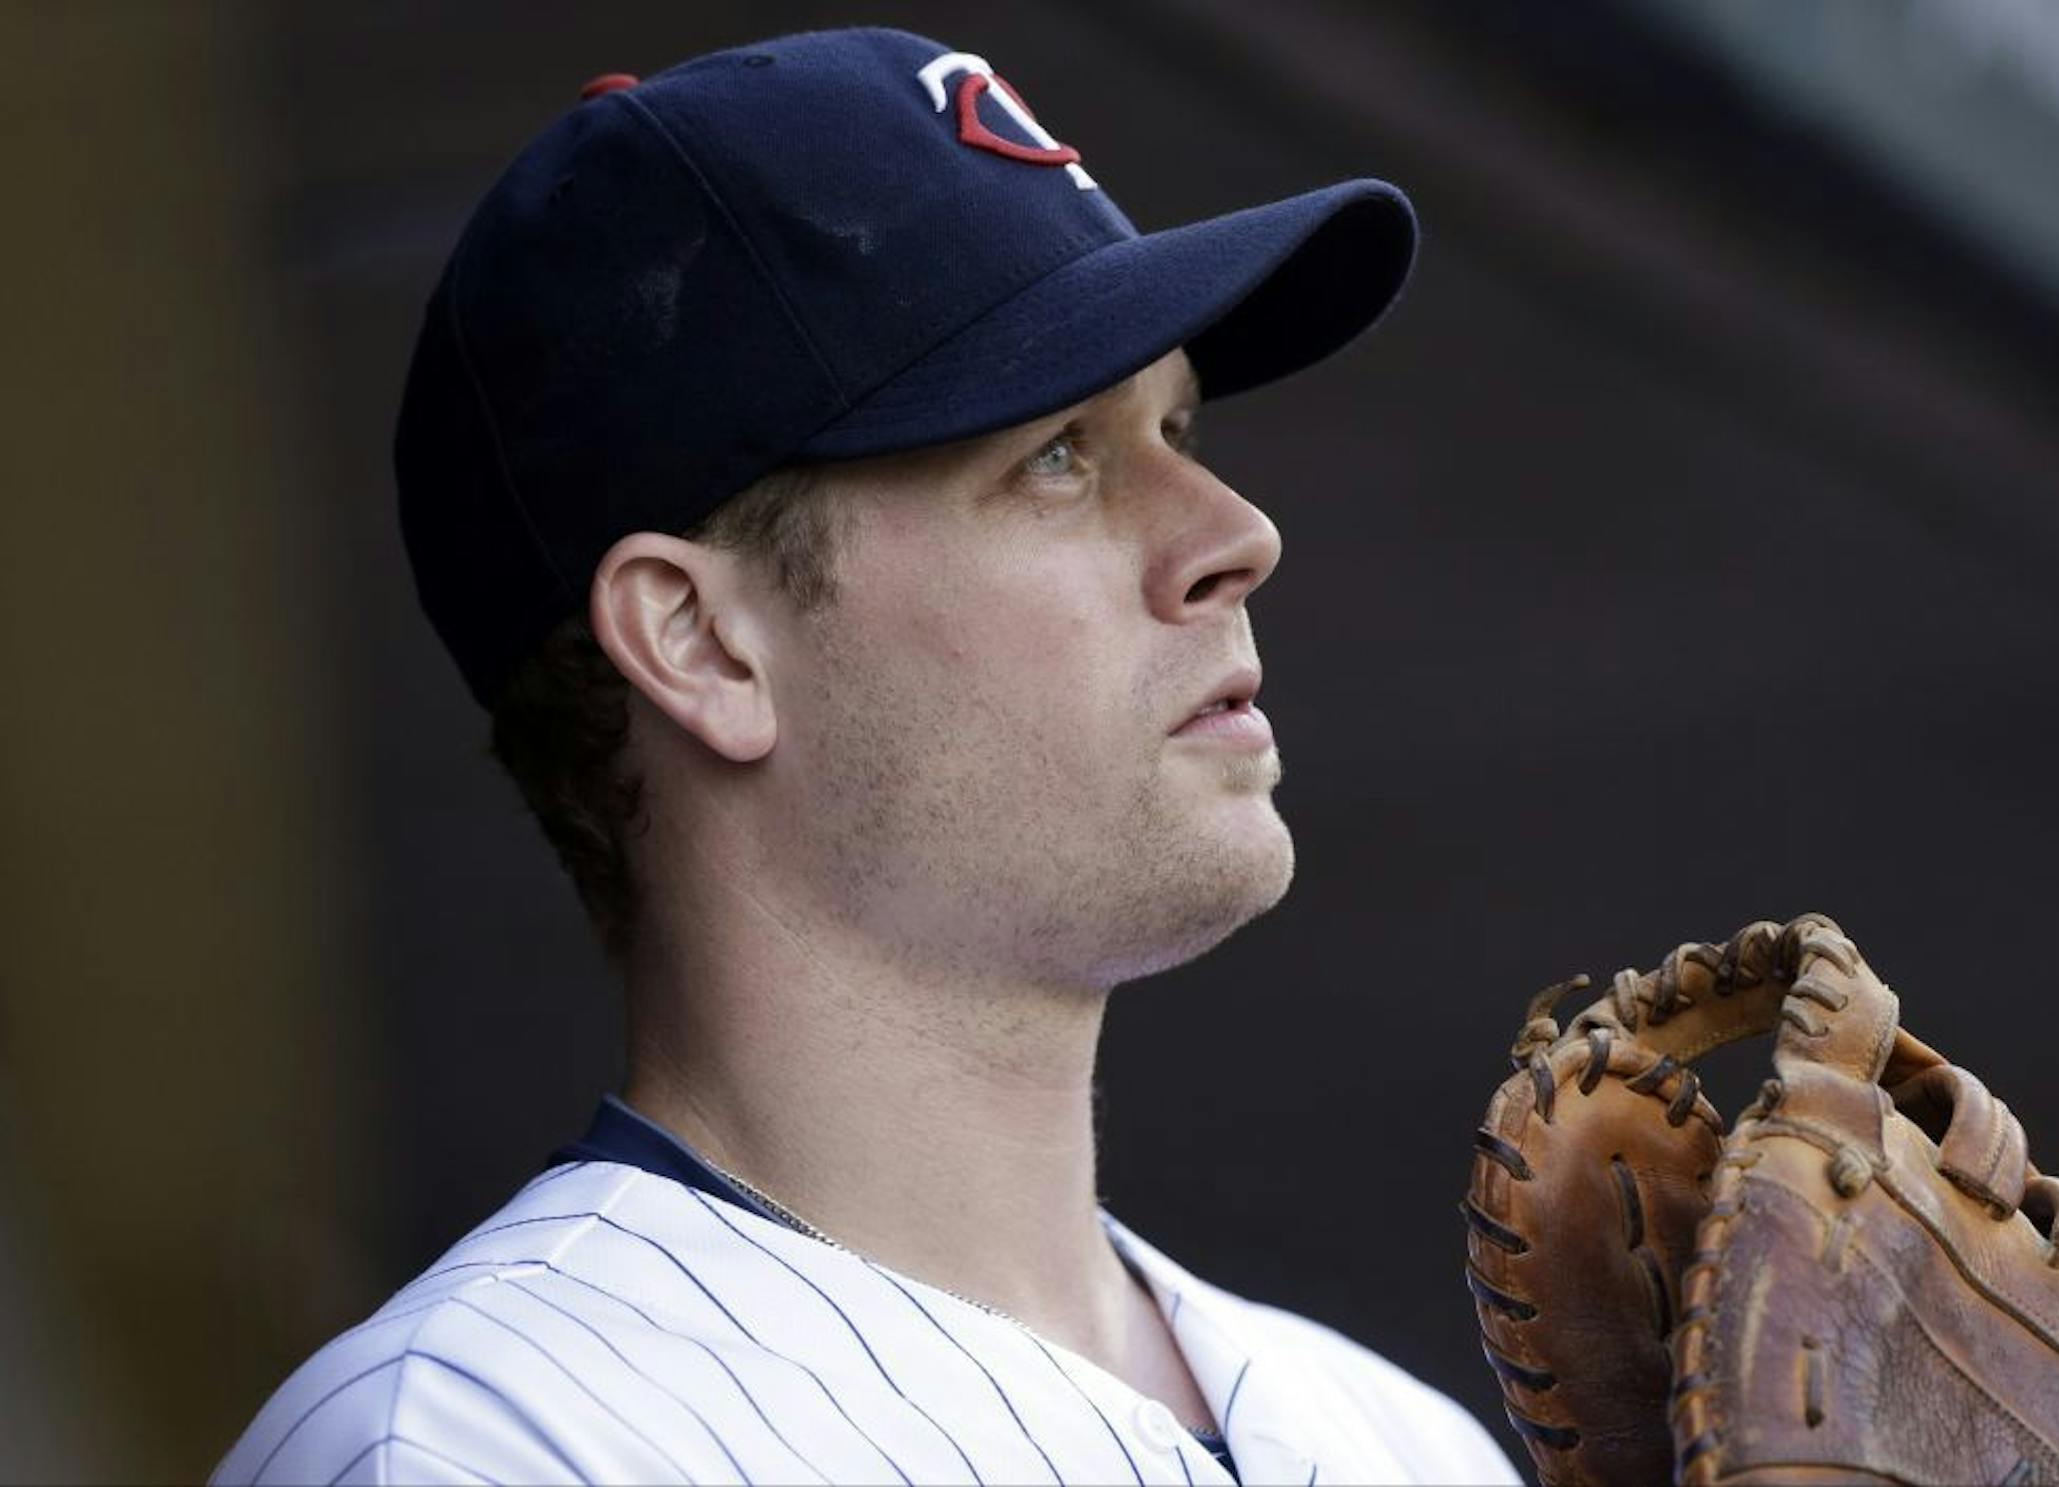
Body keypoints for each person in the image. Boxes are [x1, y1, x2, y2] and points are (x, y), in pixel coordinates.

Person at [215, 26, 1519, 1486]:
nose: (1236, 534)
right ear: (703, 644)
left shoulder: (1408, 1442)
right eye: (1059, 454)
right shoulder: (480, 1445)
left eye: (1178, 423)